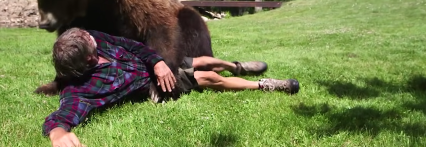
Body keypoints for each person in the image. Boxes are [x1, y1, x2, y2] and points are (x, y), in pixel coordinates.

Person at [43, 28, 300, 147]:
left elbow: (133, 46)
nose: (92, 36)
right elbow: (65, 112)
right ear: (88, 59)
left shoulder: (95, 38)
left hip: (155, 65)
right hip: (154, 86)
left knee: (205, 60)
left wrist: (156, 62)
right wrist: (57, 134)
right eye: (89, 40)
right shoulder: (81, 88)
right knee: (209, 77)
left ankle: (235, 66)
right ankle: (264, 85)